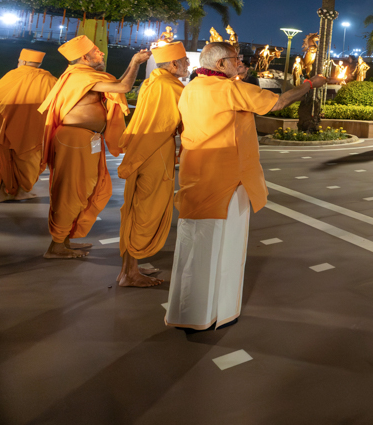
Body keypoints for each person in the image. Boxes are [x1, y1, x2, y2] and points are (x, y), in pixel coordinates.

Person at [165, 41, 326, 331]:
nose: (240, 62)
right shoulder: (228, 89)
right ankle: (219, 312)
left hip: (195, 176)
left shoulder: (192, 88)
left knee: (194, 245)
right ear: (219, 65)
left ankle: (188, 314)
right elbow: (277, 102)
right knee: (226, 247)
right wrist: (309, 83)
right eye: (235, 59)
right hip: (228, 178)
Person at [38, 35, 149, 259]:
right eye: (96, 51)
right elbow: (123, 87)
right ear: (83, 57)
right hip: (75, 140)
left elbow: (116, 86)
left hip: (85, 140)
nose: (102, 53)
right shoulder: (80, 77)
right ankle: (57, 246)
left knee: (83, 189)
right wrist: (135, 62)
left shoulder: (84, 76)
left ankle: (64, 240)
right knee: (71, 191)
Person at [116, 41, 188, 288]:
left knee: (136, 207)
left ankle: (130, 266)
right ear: (175, 64)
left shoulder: (153, 82)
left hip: (144, 149)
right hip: (156, 151)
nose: (189, 64)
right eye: (186, 61)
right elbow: (189, 118)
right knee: (147, 209)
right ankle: (130, 273)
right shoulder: (170, 86)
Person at [0, 49, 57, 201]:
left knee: (4, 159)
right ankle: (22, 190)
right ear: (39, 63)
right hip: (34, 130)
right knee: (29, 159)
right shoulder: (48, 79)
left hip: (6, 127)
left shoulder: (12, 75)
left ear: (22, 61)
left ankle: (2, 193)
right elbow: (59, 102)